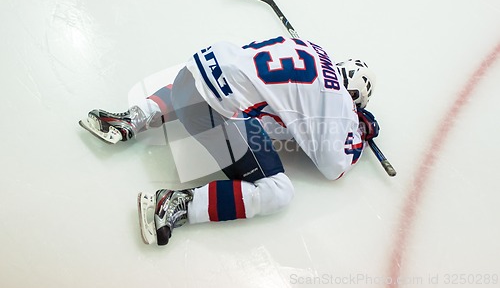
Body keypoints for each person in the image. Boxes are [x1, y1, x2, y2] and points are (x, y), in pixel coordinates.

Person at [79, 36, 379, 246]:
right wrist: (360, 133)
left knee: (219, 85)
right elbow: (333, 166)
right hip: (210, 113)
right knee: (279, 191)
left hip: (192, 72)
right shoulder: (337, 102)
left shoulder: (313, 49)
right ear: (355, 99)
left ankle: (132, 117)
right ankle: (177, 203)